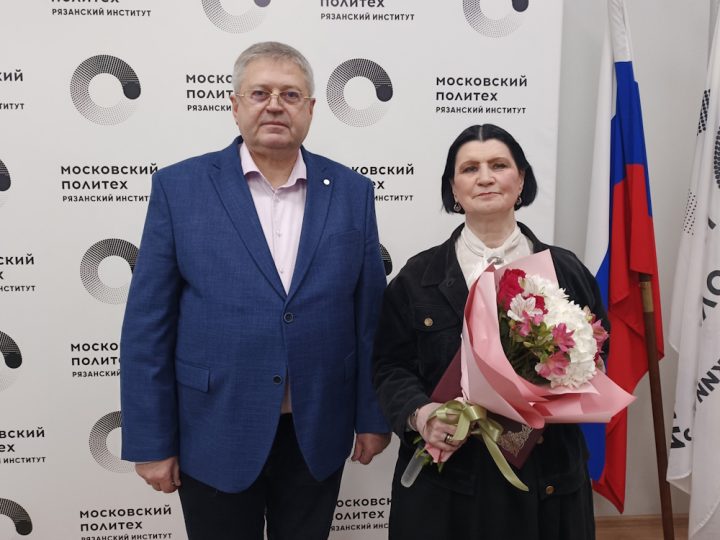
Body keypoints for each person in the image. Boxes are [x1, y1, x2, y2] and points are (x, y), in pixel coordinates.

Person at [120, 41, 391, 540]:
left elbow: (369, 317)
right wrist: (151, 441)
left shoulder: (353, 192)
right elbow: (147, 327)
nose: (275, 105)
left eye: (290, 95)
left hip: (316, 429)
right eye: (260, 93)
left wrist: (372, 417)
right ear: (235, 105)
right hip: (214, 430)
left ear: (311, 108)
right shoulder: (179, 188)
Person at [372, 124, 606, 539]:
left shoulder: (566, 270)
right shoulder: (417, 277)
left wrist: (574, 378)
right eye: (470, 169)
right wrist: (422, 414)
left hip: (547, 478)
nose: (485, 178)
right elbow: (388, 366)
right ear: (453, 189)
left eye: (499, 165)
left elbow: (601, 354)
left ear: (521, 180)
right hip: (449, 481)